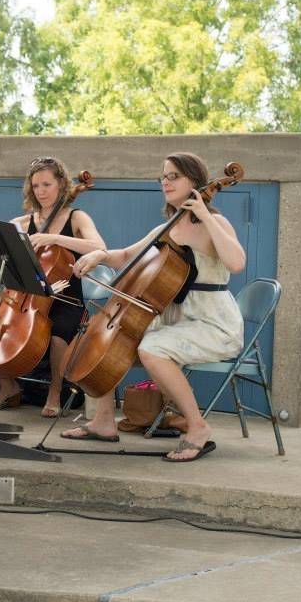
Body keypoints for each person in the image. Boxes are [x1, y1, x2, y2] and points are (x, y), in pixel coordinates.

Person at [66, 152, 245, 462]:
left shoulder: (215, 221)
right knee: (106, 342)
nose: (165, 181)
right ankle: (104, 421)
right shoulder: (167, 227)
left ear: (195, 181)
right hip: (176, 320)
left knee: (152, 347)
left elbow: (237, 263)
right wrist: (99, 256)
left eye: (174, 175)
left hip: (212, 323)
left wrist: (204, 216)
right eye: (163, 176)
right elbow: (126, 256)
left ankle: (197, 426)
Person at [0, 156, 106, 418]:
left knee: (59, 336)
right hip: (22, 302)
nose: (41, 191)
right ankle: (8, 386)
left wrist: (51, 237)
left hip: (65, 301)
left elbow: (99, 247)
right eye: (36, 186)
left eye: (47, 185)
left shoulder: (76, 217)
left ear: (62, 184)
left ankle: (54, 392)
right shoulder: (21, 223)